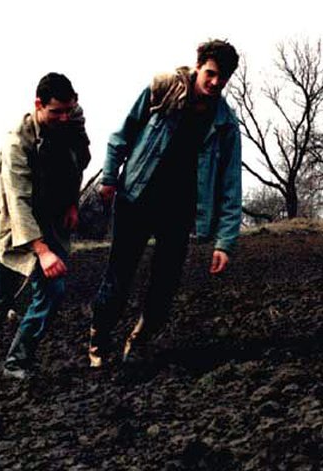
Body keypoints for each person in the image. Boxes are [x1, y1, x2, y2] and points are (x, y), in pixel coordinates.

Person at [89, 39, 242, 369]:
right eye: (211, 74)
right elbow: (122, 134)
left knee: (165, 284)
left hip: (180, 212)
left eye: (223, 78)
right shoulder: (163, 90)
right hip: (136, 199)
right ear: (198, 66)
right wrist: (109, 178)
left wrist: (225, 242)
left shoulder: (226, 125)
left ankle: (139, 340)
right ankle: (99, 337)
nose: (215, 83)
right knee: (119, 277)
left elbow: (231, 185)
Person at [0, 73, 91, 385]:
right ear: (38, 105)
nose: (64, 117)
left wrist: (72, 203)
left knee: (53, 291)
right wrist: (42, 251)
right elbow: (17, 200)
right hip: (13, 225)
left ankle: (17, 361)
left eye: (68, 110)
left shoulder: (72, 122)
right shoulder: (16, 143)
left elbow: (79, 164)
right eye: (56, 112)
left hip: (51, 219)